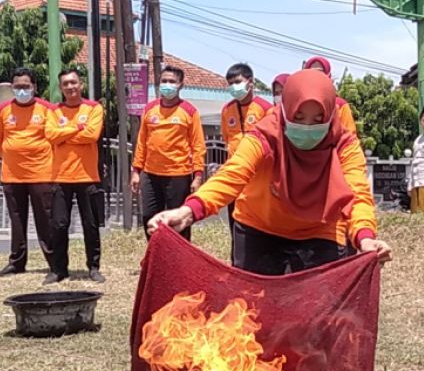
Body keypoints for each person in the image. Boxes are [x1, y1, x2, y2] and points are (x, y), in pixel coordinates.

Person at [148, 69, 392, 274]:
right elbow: (233, 173)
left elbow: (358, 194)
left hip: (320, 232)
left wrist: (365, 237)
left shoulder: (343, 143)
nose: (308, 127)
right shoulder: (266, 135)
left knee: (317, 317)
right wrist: (189, 211)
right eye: (299, 116)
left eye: (318, 118)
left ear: (331, 115)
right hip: (259, 228)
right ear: (285, 111)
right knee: (255, 313)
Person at [0, 68, 56, 277]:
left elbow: (55, 138)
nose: (21, 90)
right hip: (12, 175)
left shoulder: (47, 109)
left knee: (45, 220)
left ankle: (54, 262)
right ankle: (17, 262)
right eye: (17, 87)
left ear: (34, 87)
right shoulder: (2, 110)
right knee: (17, 220)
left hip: (42, 174)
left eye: (26, 86)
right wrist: (11, 155)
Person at [45, 68, 105, 284]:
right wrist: (77, 127)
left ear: (81, 84)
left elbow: (92, 135)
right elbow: (50, 135)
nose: (70, 87)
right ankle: (59, 270)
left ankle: (94, 267)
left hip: (87, 176)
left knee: (91, 225)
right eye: (65, 84)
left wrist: (65, 135)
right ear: (61, 88)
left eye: (73, 83)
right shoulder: (53, 111)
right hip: (61, 177)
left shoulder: (94, 108)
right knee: (59, 225)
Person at [132, 65, 206, 241]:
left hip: (178, 175)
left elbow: (198, 146)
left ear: (181, 84)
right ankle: (155, 258)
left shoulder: (189, 111)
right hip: (150, 174)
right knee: (149, 218)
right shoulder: (149, 109)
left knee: (178, 221)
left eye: (172, 81)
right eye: (164, 81)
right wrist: (136, 171)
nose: (167, 84)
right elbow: (141, 143)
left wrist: (197, 176)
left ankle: (180, 262)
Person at [221, 63, 274, 259]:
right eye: (230, 83)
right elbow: (227, 139)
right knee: (235, 223)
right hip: (236, 175)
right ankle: (237, 264)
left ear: (250, 83)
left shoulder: (265, 108)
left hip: (259, 178)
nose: (233, 87)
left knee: (259, 225)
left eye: (237, 82)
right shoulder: (227, 110)